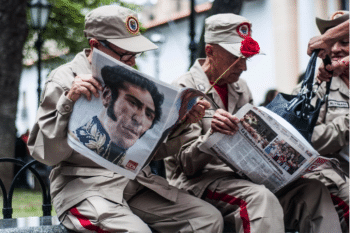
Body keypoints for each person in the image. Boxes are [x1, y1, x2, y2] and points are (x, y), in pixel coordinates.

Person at [27, 5, 223, 232]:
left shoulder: (135, 83)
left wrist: (182, 122)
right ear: (95, 45)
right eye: (125, 53)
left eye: (135, 54)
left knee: (207, 218)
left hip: (134, 184)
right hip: (85, 188)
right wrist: (69, 100)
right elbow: (47, 154)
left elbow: (149, 151)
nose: (131, 61)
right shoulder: (64, 79)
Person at [160, 13, 342, 232]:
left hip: (241, 177)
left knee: (313, 190)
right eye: (237, 57)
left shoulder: (240, 87)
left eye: (247, 58)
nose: (243, 66)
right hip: (199, 182)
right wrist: (211, 138)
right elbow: (185, 166)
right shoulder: (183, 89)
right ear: (210, 51)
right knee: (259, 198)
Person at [294, 10, 350, 232]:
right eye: (330, 43)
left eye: (344, 41)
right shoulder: (314, 89)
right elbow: (302, 139)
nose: (335, 49)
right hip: (335, 174)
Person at [72, 65, 164, 165]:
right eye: (133, 103)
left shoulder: (131, 163)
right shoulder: (72, 142)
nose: (139, 120)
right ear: (107, 96)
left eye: (148, 115)